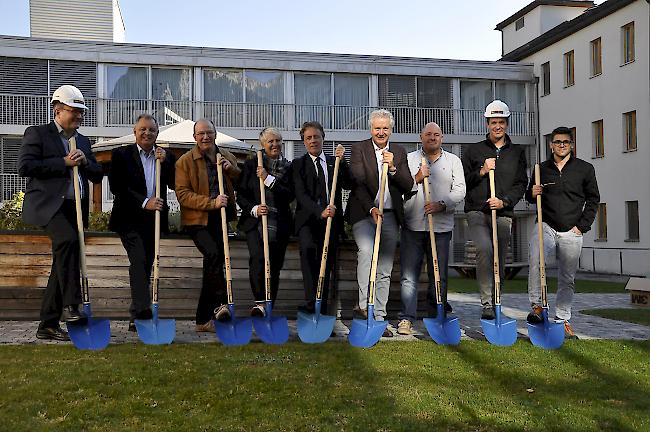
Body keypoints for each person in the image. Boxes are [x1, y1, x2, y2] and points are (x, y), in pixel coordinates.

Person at [17, 85, 103, 341]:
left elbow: (98, 175)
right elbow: (25, 166)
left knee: (62, 262)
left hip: (73, 207)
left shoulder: (84, 141)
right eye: (74, 111)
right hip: (47, 206)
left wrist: (85, 162)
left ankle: (47, 325)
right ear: (57, 110)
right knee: (66, 241)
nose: (79, 116)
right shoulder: (38, 134)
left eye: (81, 112)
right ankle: (72, 305)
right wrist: (63, 163)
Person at [526, 126, 599, 339]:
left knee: (567, 277)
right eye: (557, 142)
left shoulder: (585, 169)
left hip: (572, 229)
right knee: (536, 260)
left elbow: (593, 199)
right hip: (546, 225)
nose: (561, 145)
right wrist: (533, 192)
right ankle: (537, 307)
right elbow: (530, 198)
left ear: (572, 145)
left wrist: (581, 227)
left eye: (565, 142)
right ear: (551, 144)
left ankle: (562, 319)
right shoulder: (541, 169)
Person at [346, 109, 413, 337]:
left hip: (390, 215)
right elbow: (358, 183)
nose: (381, 132)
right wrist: (372, 208)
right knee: (366, 252)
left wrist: (393, 168)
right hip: (365, 214)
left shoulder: (399, 152)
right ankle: (365, 306)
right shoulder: (359, 150)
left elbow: (408, 185)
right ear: (371, 129)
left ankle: (379, 316)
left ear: (391, 130)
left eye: (385, 128)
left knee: (385, 266)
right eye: (377, 128)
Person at [108, 114, 176, 332]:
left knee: (145, 265)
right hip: (128, 218)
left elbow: (174, 184)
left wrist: (166, 164)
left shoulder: (164, 156)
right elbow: (117, 186)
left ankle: (136, 314)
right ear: (134, 131)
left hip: (153, 220)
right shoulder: (121, 154)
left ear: (157, 134)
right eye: (143, 129)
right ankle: (143, 310)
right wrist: (145, 202)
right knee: (138, 259)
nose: (147, 133)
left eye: (152, 130)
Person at [461, 100, 528, 320]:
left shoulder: (517, 152)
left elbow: (521, 183)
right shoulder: (474, 151)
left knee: (499, 257)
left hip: (503, 213)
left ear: (507, 124)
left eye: (501, 122)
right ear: (487, 124)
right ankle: (487, 303)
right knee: (484, 249)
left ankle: (497, 298)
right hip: (477, 210)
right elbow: (463, 182)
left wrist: (504, 201)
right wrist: (481, 171)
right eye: (493, 122)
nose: (497, 126)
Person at [397, 122, 466, 335]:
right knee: (409, 275)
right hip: (413, 225)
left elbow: (460, 190)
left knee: (439, 274)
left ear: (442, 138)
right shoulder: (409, 160)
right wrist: (416, 178)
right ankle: (406, 318)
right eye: (428, 134)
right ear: (421, 137)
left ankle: (437, 314)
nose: (432, 138)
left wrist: (441, 204)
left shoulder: (453, 161)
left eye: (436, 134)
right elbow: (398, 187)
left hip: (441, 227)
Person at [175, 119, 240, 332]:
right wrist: (211, 202)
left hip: (220, 219)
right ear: (194, 137)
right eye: (201, 133)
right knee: (213, 255)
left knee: (211, 266)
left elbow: (242, 181)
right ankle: (221, 304)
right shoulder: (185, 161)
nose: (205, 137)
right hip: (197, 220)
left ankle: (202, 320)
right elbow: (183, 195)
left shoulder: (227, 157)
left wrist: (231, 171)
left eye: (209, 133)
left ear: (215, 134)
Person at [292, 121, 352, 316]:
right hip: (308, 222)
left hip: (331, 222)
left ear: (323, 138)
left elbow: (350, 183)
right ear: (303, 141)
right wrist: (320, 211)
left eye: (316, 137)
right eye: (308, 138)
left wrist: (343, 162)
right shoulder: (299, 164)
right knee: (310, 256)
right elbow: (300, 195)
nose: (313, 141)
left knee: (326, 265)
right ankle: (311, 305)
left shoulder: (334, 162)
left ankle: (323, 311)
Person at [237, 127, 293, 317]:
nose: (275, 144)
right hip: (256, 223)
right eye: (270, 141)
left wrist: (268, 179)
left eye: (278, 141)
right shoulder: (252, 165)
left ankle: (269, 306)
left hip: (280, 223)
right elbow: (241, 196)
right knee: (258, 259)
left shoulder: (289, 167)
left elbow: (289, 195)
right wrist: (254, 209)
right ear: (262, 144)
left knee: (274, 266)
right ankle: (260, 302)